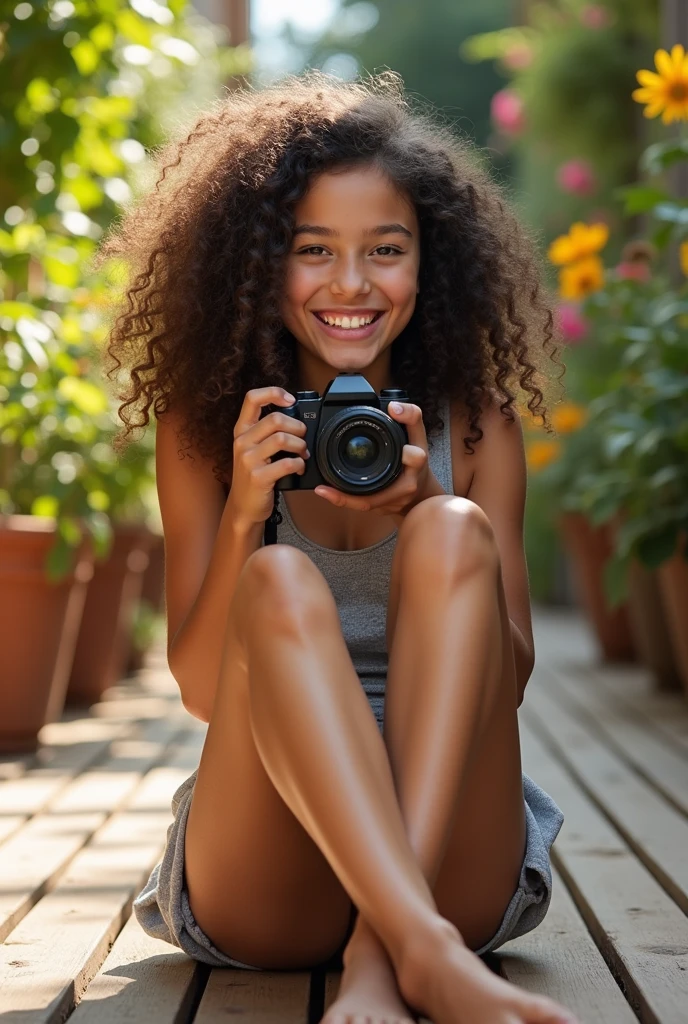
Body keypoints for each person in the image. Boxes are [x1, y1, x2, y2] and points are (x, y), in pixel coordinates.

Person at [97, 71, 576, 1024]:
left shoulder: (475, 425)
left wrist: (431, 503)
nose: (351, 284)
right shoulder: (206, 429)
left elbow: (510, 675)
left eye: (385, 251)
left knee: (451, 529)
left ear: (426, 264)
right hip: (268, 857)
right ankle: (414, 946)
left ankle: (390, 946)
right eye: (313, 250)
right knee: (276, 575)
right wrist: (243, 511)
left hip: (451, 851)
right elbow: (198, 687)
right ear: (261, 264)